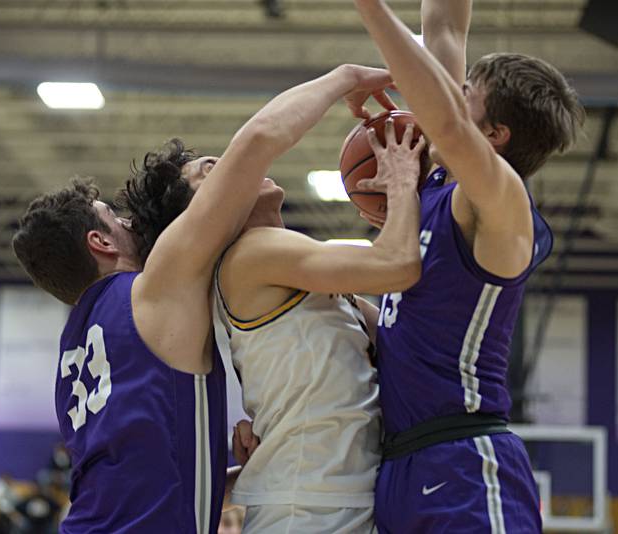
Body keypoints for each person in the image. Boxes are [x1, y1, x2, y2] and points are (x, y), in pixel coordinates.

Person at [11, 63, 396, 533]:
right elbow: (259, 139)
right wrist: (347, 77)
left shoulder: (74, 358)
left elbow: (145, 481)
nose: (133, 224)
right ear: (101, 243)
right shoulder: (151, 290)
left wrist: (251, 470)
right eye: (116, 218)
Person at [121, 116, 425, 531]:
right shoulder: (250, 255)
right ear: (204, 213)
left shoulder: (295, 268)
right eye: (213, 169)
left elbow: (402, 337)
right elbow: (399, 265)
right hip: (311, 512)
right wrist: (404, 184)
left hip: (333, 502)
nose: (238, 165)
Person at [351, 0, 585, 532]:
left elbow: (449, 126)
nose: (448, 93)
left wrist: (370, 8)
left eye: (466, 97)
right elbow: (446, 24)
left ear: (496, 134)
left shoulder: (501, 201)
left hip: (466, 461)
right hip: (399, 464)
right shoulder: (435, 182)